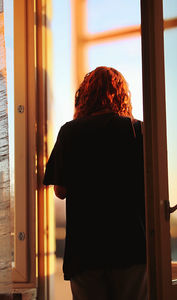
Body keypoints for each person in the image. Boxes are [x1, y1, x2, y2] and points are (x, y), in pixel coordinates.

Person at [43, 66, 147, 300]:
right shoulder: (137, 130)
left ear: (84, 96)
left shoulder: (70, 132)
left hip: (85, 250)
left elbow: (60, 191)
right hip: (130, 244)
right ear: (121, 95)